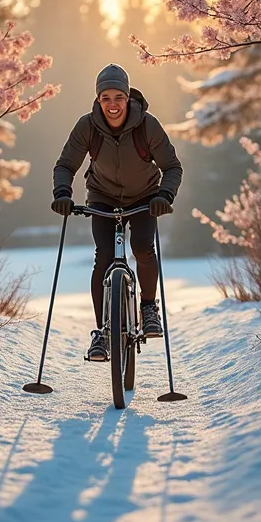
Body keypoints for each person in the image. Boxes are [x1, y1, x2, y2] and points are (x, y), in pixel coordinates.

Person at [51, 63, 183, 362]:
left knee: (142, 249)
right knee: (105, 257)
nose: (113, 104)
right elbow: (66, 164)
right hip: (102, 196)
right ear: (98, 99)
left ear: (128, 97)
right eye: (106, 98)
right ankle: (102, 331)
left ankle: (149, 307)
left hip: (145, 197)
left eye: (118, 97)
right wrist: (63, 193)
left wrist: (164, 195)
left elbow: (172, 166)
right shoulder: (87, 126)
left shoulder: (147, 125)